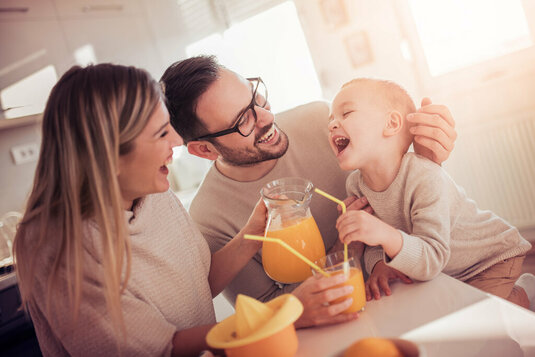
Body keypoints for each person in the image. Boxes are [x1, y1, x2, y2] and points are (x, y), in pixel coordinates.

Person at [160, 55, 458, 327]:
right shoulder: (209, 219)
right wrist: (344, 250)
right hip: (340, 327)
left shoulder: (322, 121)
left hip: (416, 284)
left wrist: (426, 157)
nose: (266, 118)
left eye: (256, 97)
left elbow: (407, 188)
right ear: (205, 150)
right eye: (243, 121)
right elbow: (267, 310)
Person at [13, 63, 270, 356]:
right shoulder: (59, 245)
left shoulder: (152, 194)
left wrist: (253, 233)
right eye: (161, 134)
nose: (177, 141)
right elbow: (157, 349)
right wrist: (272, 320)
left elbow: (198, 288)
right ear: (108, 153)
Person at [332, 78, 534, 309]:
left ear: (392, 123)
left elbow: (432, 257)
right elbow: (374, 242)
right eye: (331, 120)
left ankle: (525, 293)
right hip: (450, 269)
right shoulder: (355, 186)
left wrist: (384, 233)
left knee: (480, 321)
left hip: (489, 259)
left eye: (346, 113)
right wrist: (379, 264)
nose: (332, 125)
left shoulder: (424, 174)